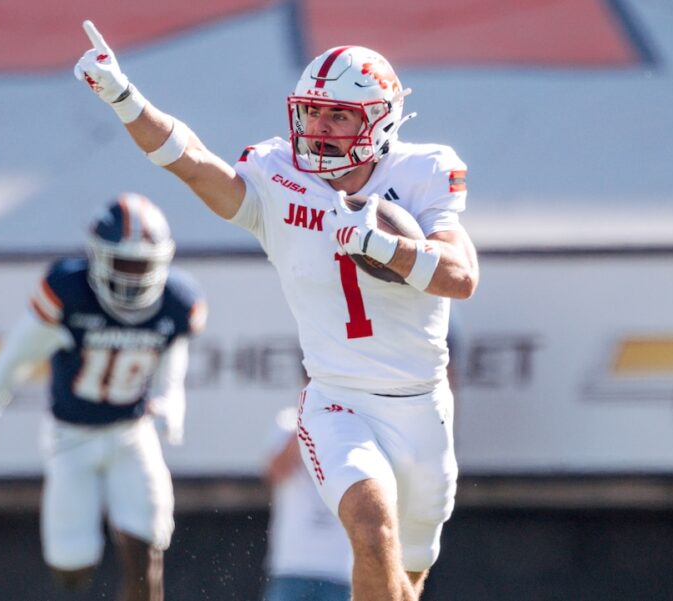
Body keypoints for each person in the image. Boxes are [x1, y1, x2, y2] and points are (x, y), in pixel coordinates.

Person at [74, 23, 478, 601]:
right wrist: (125, 99)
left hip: (423, 406)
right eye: (311, 113)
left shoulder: (423, 172)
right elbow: (192, 163)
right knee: (371, 527)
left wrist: (386, 247)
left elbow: (461, 278)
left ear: (379, 121)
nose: (318, 129)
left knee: (406, 580)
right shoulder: (277, 174)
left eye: (338, 116)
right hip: (338, 395)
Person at [0, 192, 206, 601]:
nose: (132, 276)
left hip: (131, 432)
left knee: (146, 548)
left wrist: (170, 400)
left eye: (141, 264)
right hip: (71, 437)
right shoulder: (68, 292)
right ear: (98, 257)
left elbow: (172, 356)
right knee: (71, 568)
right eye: (124, 263)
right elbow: (15, 357)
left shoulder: (178, 301)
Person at [261, 406, 352, 601]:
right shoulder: (288, 421)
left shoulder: (352, 425)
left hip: (339, 570)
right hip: (292, 567)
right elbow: (274, 473)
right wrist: (307, 426)